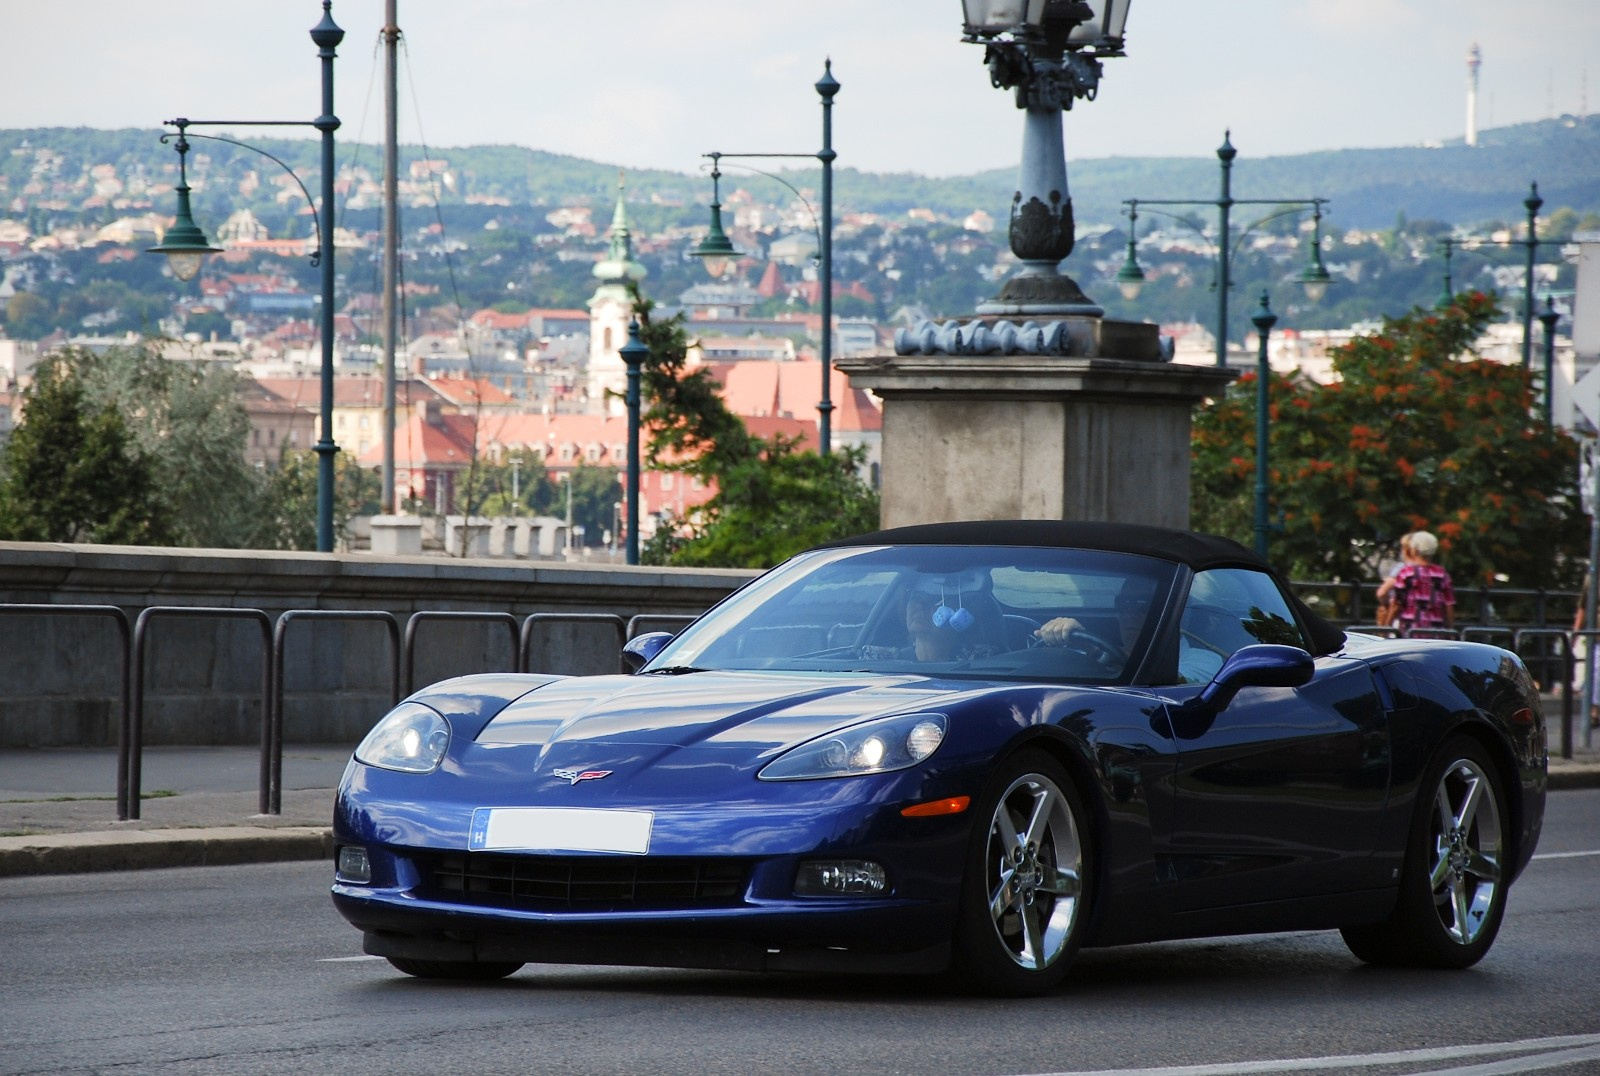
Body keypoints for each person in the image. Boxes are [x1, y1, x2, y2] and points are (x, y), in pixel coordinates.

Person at [861, 581, 1003, 663]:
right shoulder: (880, 662)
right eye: (915, 598)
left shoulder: (984, 662)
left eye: (934, 601)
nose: (920, 606)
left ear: (959, 612)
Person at [1377, 529, 1454, 633]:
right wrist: (1450, 629)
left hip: (1410, 630)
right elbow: (1448, 604)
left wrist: (1387, 626)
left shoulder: (1406, 572)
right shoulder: (1441, 574)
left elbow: (1397, 603)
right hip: (1436, 631)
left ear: (1415, 549)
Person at [1375, 532, 1414, 627]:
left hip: (1401, 618)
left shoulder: (1403, 569)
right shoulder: (1433, 570)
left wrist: (1386, 604)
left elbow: (1382, 592)